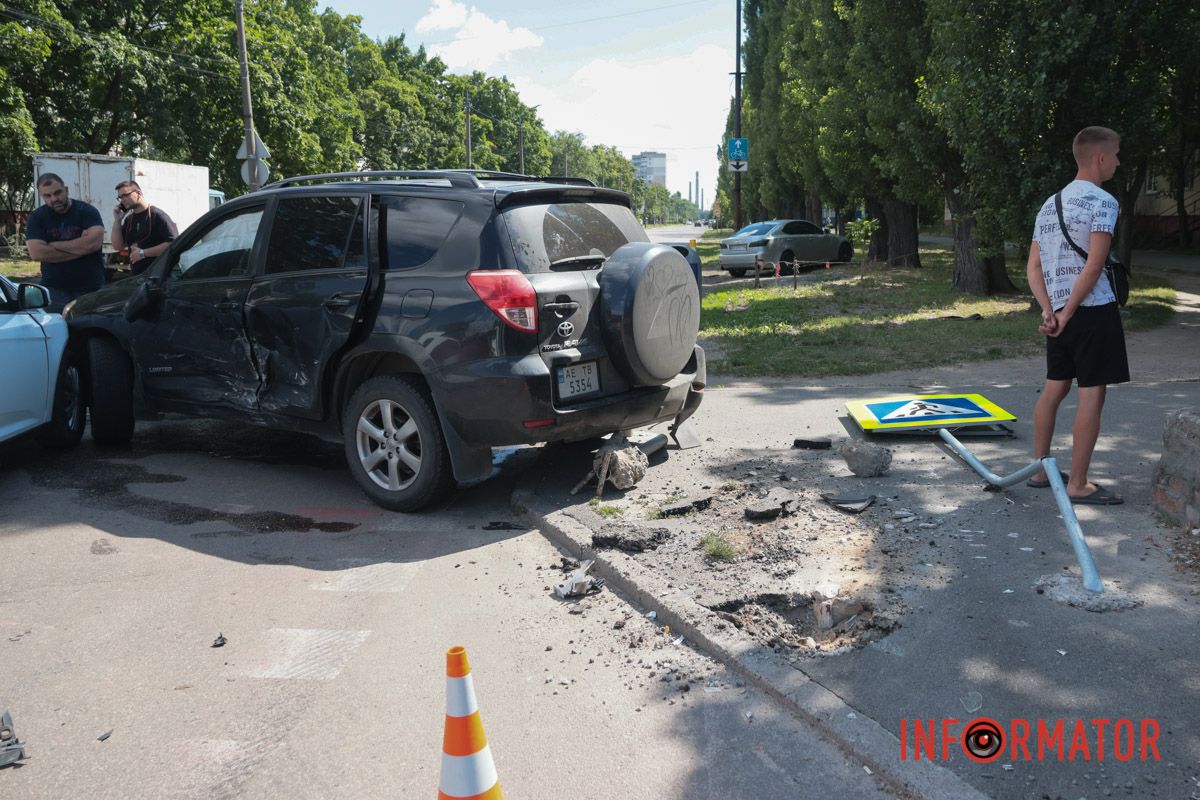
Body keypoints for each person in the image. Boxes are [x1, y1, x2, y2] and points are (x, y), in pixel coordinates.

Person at [1025, 125, 1128, 505]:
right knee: (1091, 396)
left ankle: (1039, 469)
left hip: (1056, 315)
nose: (1118, 161)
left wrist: (1050, 311)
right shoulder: (1104, 202)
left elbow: (1033, 268)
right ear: (1100, 158)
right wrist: (1069, 313)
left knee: (1054, 388)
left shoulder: (1049, 204)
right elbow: (1094, 267)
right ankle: (1078, 483)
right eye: (1116, 154)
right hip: (1093, 312)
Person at [24, 173, 105, 312]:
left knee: (91, 330)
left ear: (66, 190)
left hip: (90, 288)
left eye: (58, 193)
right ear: (42, 196)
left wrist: (52, 246)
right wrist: (82, 246)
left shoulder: (86, 211)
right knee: (57, 331)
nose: (54, 199)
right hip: (54, 290)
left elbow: (93, 243)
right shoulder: (37, 217)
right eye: (47, 196)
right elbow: (37, 253)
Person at [110, 180, 178, 276]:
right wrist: (117, 220)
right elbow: (117, 246)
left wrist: (143, 253)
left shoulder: (157, 216)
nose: (122, 200)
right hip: (137, 276)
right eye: (120, 197)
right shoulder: (129, 219)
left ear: (139, 193)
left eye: (125, 195)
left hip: (158, 277)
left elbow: (173, 244)